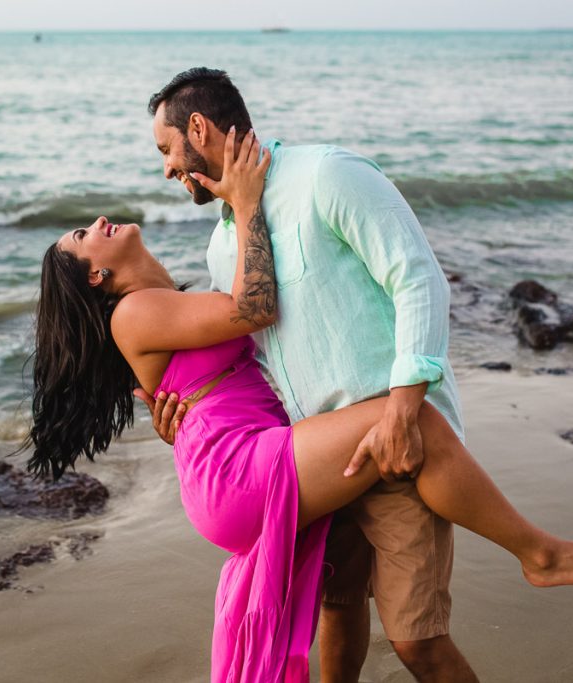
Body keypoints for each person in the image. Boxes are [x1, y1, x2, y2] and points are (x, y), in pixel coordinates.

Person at [26, 128, 573, 683]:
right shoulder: (137, 312)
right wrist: (245, 202)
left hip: (254, 457)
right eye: (83, 236)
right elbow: (257, 308)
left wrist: (180, 419)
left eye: (166, 150)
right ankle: (539, 553)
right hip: (242, 470)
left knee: (339, 609)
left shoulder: (181, 295)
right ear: (96, 279)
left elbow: (239, 348)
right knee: (408, 419)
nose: (99, 221)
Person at [138, 66, 463, 681]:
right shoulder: (223, 246)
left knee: (416, 639)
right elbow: (247, 357)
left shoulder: (328, 176)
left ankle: (541, 553)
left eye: (166, 150)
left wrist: (401, 411)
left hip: (392, 444)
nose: (166, 170)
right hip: (312, 464)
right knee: (335, 616)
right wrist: (184, 411)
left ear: (199, 128)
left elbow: (418, 278)